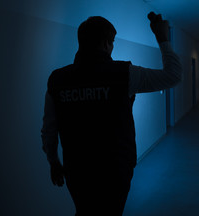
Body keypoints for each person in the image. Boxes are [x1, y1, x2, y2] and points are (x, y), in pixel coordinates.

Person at [41, 12, 182, 216]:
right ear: (106, 43)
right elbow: (173, 76)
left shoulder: (57, 80)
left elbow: (49, 129)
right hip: (116, 171)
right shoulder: (124, 74)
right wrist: (162, 37)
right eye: (112, 42)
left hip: (77, 170)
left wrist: (53, 162)